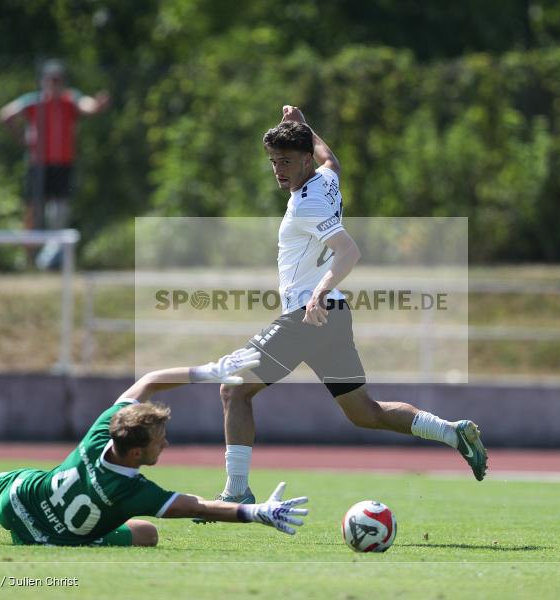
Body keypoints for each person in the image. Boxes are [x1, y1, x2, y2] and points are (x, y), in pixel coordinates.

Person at [203, 106, 488, 514]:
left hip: (309, 315)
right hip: (333, 317)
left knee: (234, 388)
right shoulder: (325, 179)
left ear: (304, 160)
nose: (278, 170)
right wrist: (304, 126)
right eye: (273, 162)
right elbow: (331, 159)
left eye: (286, 162)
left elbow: (349, 251)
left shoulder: (307, 205)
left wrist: (318, 292)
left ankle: (236, 493)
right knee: (364, 412)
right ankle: (451, 432)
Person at [0, 348, 310, 546]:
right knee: (146, 533)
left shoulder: (101, 431)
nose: (166, 444)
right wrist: (258, 512)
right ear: (137, 453)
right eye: (160, 441)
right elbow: (202, 507)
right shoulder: (135, 492)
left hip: (19, 499)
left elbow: (148, 381)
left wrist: (207, 371)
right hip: (53, 538)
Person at [0, 60, 109, 233]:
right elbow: (6, 115)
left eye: (58, 80)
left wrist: (97, 105)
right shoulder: (34, 101)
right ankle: (29, 248)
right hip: (38, 162)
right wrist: (22, 138)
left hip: (63, 162)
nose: (54, 84)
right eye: (51, 80)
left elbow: (87, 106)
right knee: (33, 207)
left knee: (59, 208)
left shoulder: (70, 99)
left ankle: (53, 244)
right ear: (44, 81)